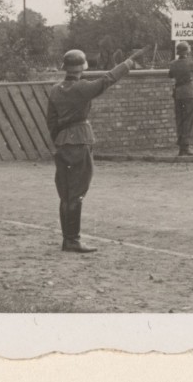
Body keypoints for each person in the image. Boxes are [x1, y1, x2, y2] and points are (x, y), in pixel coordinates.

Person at [47, 46, 146, 253]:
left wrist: (58, 139)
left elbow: (51, 121)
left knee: (65, 193)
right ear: (82, 67)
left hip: (62, 143)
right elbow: (107, 79)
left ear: (66, 68)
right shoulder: (82, 88)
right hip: (80, 140)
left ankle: (68, 238)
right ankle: (72, 240)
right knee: (77, 192)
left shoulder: (56, 89)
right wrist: (128, 63)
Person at [167, 42, 193, 156]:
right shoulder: (191, 63)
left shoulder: (173, 63)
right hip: (189, 93)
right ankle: (186, 147)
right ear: (187, 51)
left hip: (178, 94)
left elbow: (170, 75)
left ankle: (181, 146)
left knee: (180, 119)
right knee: (189, 120)